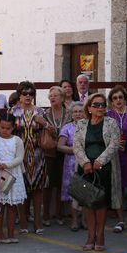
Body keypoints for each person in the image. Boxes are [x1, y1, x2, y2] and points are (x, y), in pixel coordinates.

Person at [73, 93, 120, 251]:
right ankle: (90, 236)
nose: (100, 108)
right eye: (97, 105)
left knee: (100, 203)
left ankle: (100, 236)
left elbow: (115, 143)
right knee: (88, 203)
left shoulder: (111, 122)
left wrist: (100, 160)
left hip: (104, 168)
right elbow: (77, 145)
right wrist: (85, 162)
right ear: (89, 107)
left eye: (103, 105)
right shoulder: (81, 123)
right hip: (85, 168)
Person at [11, 81, 47, 234]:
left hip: (38, 154)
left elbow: (52, 131)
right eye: (25, 93)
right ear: (19, 95)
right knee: (21, 188)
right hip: (19, 155)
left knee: (37, 189)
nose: (28, 96)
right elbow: (7, 132)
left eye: (31, 93)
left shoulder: (40, 111)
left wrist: (44, 123)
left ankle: (38, 222)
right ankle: (24, 222)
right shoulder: (12, 112)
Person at [0, 114, 26, 244]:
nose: (5, 130)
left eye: (8, 128)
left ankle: (11, 233)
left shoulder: (17, 140)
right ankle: (0, 234)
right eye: (2, 127)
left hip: (13, 174)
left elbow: (19, 157)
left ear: (13, 127)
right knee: (0, 205)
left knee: (12, 205)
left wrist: (7, 164)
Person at [107, 86, 127, 222]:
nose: (118, 100)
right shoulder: (108, 115)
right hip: (115, 155)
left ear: (125, 99)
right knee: (117, 187)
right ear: (111, 101)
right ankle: (121, 220)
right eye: (115, 98)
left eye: (120, 97)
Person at [43, 86, 69, 226]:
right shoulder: (45, 114)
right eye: (50, 95)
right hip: (50, 152)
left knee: (61, 184)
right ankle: (46, 213)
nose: (52, 98)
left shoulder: (69, 113)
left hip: (65, 152)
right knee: (48, 184)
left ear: (62, 98)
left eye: (55, 95)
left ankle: (59, 213)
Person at [58, 103, 86, 232]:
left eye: (80, 111)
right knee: (73, 191)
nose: (78, 114)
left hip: (87, 161)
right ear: (71, 114)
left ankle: (85, 218)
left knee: (86, 189)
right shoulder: (67, 127)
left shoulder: (90, 126)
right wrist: (75, 150)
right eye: (75, 111)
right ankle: (74, 219)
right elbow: (60, 146)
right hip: (71, 162)